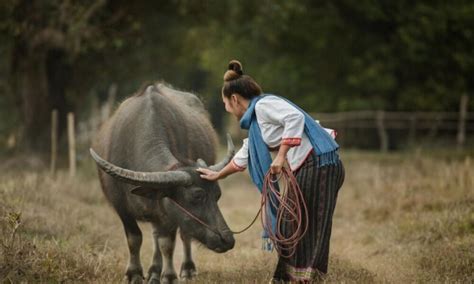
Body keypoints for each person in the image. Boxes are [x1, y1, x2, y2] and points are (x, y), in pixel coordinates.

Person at [197, 60, 345, 282]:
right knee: (289, 224)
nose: (227, 109)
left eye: (226, 103)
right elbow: (245, 153)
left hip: (320, 165)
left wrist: (281, 155)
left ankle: (302, 278)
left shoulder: (264, 106)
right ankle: (290, 277)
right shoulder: (257, 124)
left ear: (234, 99)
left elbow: (294, 118)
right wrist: (218, 175)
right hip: (314, 167)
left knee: (305, 224)